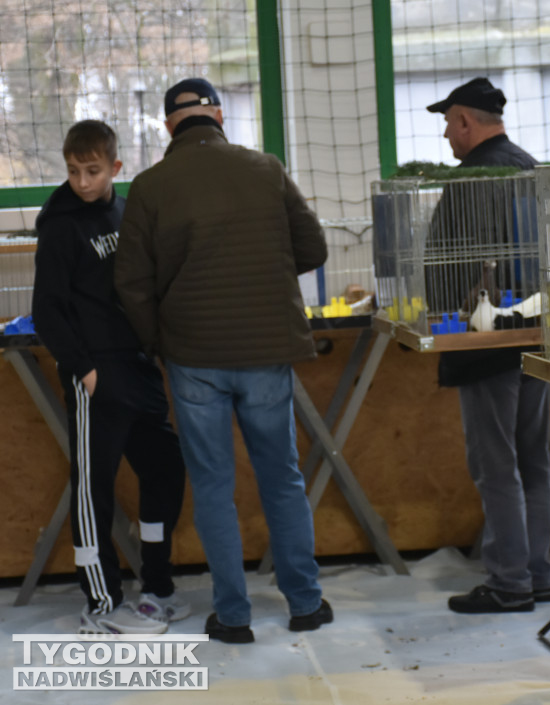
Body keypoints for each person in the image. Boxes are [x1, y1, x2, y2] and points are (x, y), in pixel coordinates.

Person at [114, 78, 332, 643]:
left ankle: (233, 617)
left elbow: (133, 283)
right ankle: (305, 604)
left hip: (192, 356)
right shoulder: (265, 167)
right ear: (217, 115)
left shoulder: (150, 185)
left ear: (169, 126)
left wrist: (159, 341)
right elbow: (313, 248)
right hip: (265, 350)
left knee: (213, 484)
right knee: (281, 478)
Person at [31, 119, 188, 634]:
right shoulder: (60, 223)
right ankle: (101, 605)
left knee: (164, 468)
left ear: (115, 168)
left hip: (137, 365)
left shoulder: (123, 209)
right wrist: (85, 370)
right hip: (95, 371)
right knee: (93, 488)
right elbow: (48, 311)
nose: (82, 181)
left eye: (92, 171)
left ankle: (157, 583)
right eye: (74, 171)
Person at [425, 77, 550, 613]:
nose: (447, 138)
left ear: (464, 121)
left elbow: (452, 263)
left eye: (448, 126)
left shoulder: (472, 177)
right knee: (534, 460)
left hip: (486, 341)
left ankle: (509, 584)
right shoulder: (529, 166)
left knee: (496, 466)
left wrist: (440, 320)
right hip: (538, 333)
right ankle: (537, 574)